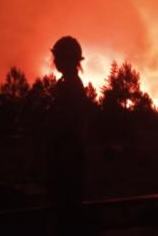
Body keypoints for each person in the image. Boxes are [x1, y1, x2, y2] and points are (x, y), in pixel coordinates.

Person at [47, 36, 88, 234]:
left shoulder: (69, 87)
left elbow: (65, 125)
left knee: (66, 215)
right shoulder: (68, 84)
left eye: (58, 57)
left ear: (68, 60)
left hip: (67, 160)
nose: (55, 61)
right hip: (67, 159)